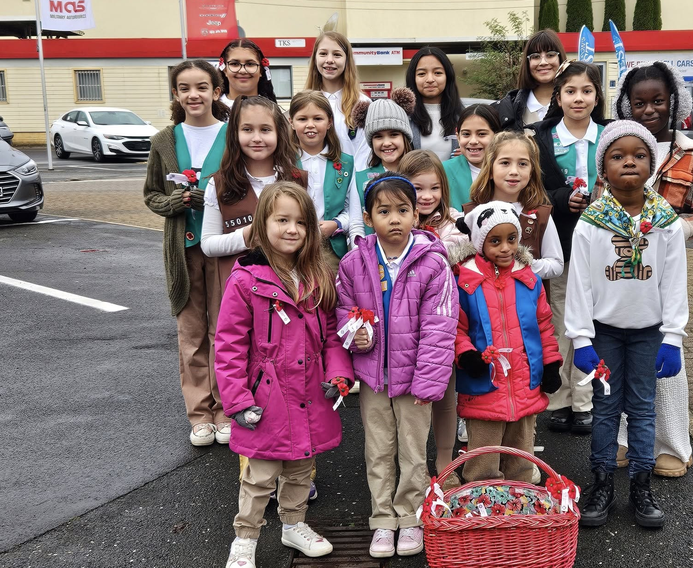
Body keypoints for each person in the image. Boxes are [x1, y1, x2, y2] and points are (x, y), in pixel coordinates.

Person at [216, 182, 352, 566]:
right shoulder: (245, 281)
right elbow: (228, 347)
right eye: (282, 220)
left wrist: (340, 375)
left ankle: (293, 526)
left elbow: (331, 339)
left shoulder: (317, 277)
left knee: (300, 470)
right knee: (259, 476)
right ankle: (244, 539)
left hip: (309, 393)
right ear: (263, 225)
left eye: (300, 222)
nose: (291, 229)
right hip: (266, 398)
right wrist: (238, 400)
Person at [565, 120, 688, 529]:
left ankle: (640, 482)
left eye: (639, 155)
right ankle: (601, 482)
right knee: (604, 408)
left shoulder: (665, 221)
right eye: (618, 156)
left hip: (649, 334)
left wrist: (673, 336)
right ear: (604, 168)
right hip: (604, 333)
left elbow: (674, 282)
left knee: (642, 409)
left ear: (652, 164)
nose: (629, 162)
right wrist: (581, 338)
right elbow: (579, 283)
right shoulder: (592, 222)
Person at [335, 173, 458, 558]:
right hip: (373, 377)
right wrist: (354, 333)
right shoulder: (354, 261)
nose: (394, 219)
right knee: (378, 449)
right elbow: (341, 309)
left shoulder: (433, 262)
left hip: (414, 379)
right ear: (369, 218)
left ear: (415, 215)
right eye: (384, 211)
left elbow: (440, 328)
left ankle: (410, 515)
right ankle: (382, 519)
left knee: (411, 449)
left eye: (402, 210)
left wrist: (428, 384)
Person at [612, 61, 693, 477]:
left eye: (658, 101)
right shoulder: (615, 147)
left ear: (674, 102)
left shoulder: (692, 154)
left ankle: (672, 443)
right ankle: (623, 438)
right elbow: (605, 204)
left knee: (665, 352)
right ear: (627, 105)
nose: (649, 110)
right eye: (639, 102)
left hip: (666, 271)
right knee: (619, 348)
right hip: (620, 268)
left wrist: (670, 228)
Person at [143, 60, 230, 446]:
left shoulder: (233, 135)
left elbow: (244, 190)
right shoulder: (164, 140)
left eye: (201, 86)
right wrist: (175, 203)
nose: (193, 94)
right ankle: (200, 414)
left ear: (215, 90)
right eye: (184, 88)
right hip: (182, 249)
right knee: (191, 332)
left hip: (224, 246)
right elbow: (151, 194)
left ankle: (228, 408)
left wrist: (210, 199)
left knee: (226, 330)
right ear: (176, 94)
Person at [449, 201, 562, 483]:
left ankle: (520, 507)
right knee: (483, 458)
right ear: (479, 242)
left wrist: (550, 363)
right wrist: (466, 355)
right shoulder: (465, 281)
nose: (505, 248)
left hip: (524, 381)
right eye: (495, 241)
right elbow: (456, 328)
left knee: (521, 457)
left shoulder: (528, 279)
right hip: (484, 382)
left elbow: (543, 325)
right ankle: (482, 505)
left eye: (511, 239)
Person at [533, 61, 610, 436]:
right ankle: (563, 400)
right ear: (558, 96)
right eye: (570, 91)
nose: (579, 98)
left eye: (586, 91)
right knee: (564, 322)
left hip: (605, 248)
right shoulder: (541, 137)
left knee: (594, 324)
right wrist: (562, 198)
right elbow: (531, 190)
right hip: (561, 247)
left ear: (597, 96)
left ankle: (586, 400)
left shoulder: (611, 135)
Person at [399, 150, 467, 489]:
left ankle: (445, 459)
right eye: (417, 188)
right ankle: (409, 464)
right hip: (403, 325)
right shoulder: (394, 222)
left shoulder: (456, 226)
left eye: (434, 188)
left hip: (443, 325)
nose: (426, 197)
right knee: (406, 401)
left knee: (445, 395)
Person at [200, 96, 306, 292]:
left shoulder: (300, 180)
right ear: (235, 134)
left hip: (292, 292)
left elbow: (312, 233)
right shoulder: (219, 184)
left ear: (279, 133)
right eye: (247, 129)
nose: (257, 138)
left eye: (265, 130)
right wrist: (249, 234)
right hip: (240, 295)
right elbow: (208, 244)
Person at [464, 130, 563, 282]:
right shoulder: (472, 213)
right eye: (505, 163)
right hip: (482, 302)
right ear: (490, 169)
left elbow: (556, 265)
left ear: (531, 172)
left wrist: (517, 265)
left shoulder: (540, 215)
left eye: (523, 164)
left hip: (529, 303)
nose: (514, 171)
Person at [288, 90, 364, 272]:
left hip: (332, 248)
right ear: (291, 122)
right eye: (302, 119)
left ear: (329, 122)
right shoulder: (284, 161)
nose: (310, 125)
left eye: (317, 119)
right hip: (292, 247)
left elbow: (351, 209)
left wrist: (337, 224)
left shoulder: (346, 163)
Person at [305, 31, 372, 170]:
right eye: (323, 53)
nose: (329, 60)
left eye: (337, 54)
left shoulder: (362, 103)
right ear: (315, 58)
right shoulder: (303, 102)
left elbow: (366, 153)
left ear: (347, 60)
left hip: (351, 183)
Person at [353, 89, 416, 217]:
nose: (386, 143)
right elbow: (356, 221)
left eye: (393, 135)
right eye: (378, 137)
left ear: (405, 137)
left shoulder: (419, 174)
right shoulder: (360, 178)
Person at [492, 29, 567, 132]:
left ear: (560, 58)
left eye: (550, 55)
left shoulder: (576, 105)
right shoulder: (506, 110)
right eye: (535, 56)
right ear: (528, 62)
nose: (543, 62)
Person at [405, 47, 464, 162]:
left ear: (448, 76)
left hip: (453, 179)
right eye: (422, 74)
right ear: (413, 78)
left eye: (437, 73)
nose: (430, 79)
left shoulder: (463, 116)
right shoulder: (403, 117)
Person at [442, 104, 501, 211]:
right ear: (458, 137)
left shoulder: (509, 170)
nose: (473, 141)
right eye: (466, 134)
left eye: (482, 134)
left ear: (497, 136)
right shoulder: (443, 172)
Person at [217, 39, 278, 109]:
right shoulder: (211, 108)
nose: (242, 71)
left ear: (261, 70)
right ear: (225, 70)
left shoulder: (271, 110)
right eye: (234, 64)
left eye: (250, 64)